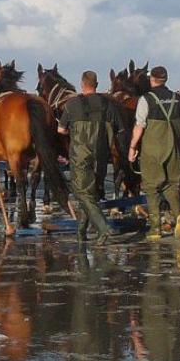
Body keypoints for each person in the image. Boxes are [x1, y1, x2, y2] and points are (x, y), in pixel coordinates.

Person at [57, 70, 123, 246]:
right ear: (97, 84)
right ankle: (81, 232)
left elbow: (61, 130)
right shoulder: (109, 105)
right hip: (101, 156)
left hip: (81, 154)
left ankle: (103, 227)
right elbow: (120, 130)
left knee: (81, 193)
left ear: (82, 84)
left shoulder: (72, 104)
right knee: (91, 193)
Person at [128, 66, 180, 240]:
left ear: (152, 79)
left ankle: (155, 228)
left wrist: (132, 147)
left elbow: (139, 126)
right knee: (172, 184)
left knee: (151, 187)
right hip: (173, 148)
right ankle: (179, 215)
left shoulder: (146, 99)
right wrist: (177, 140)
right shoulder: (177, 98)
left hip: (152, 150)